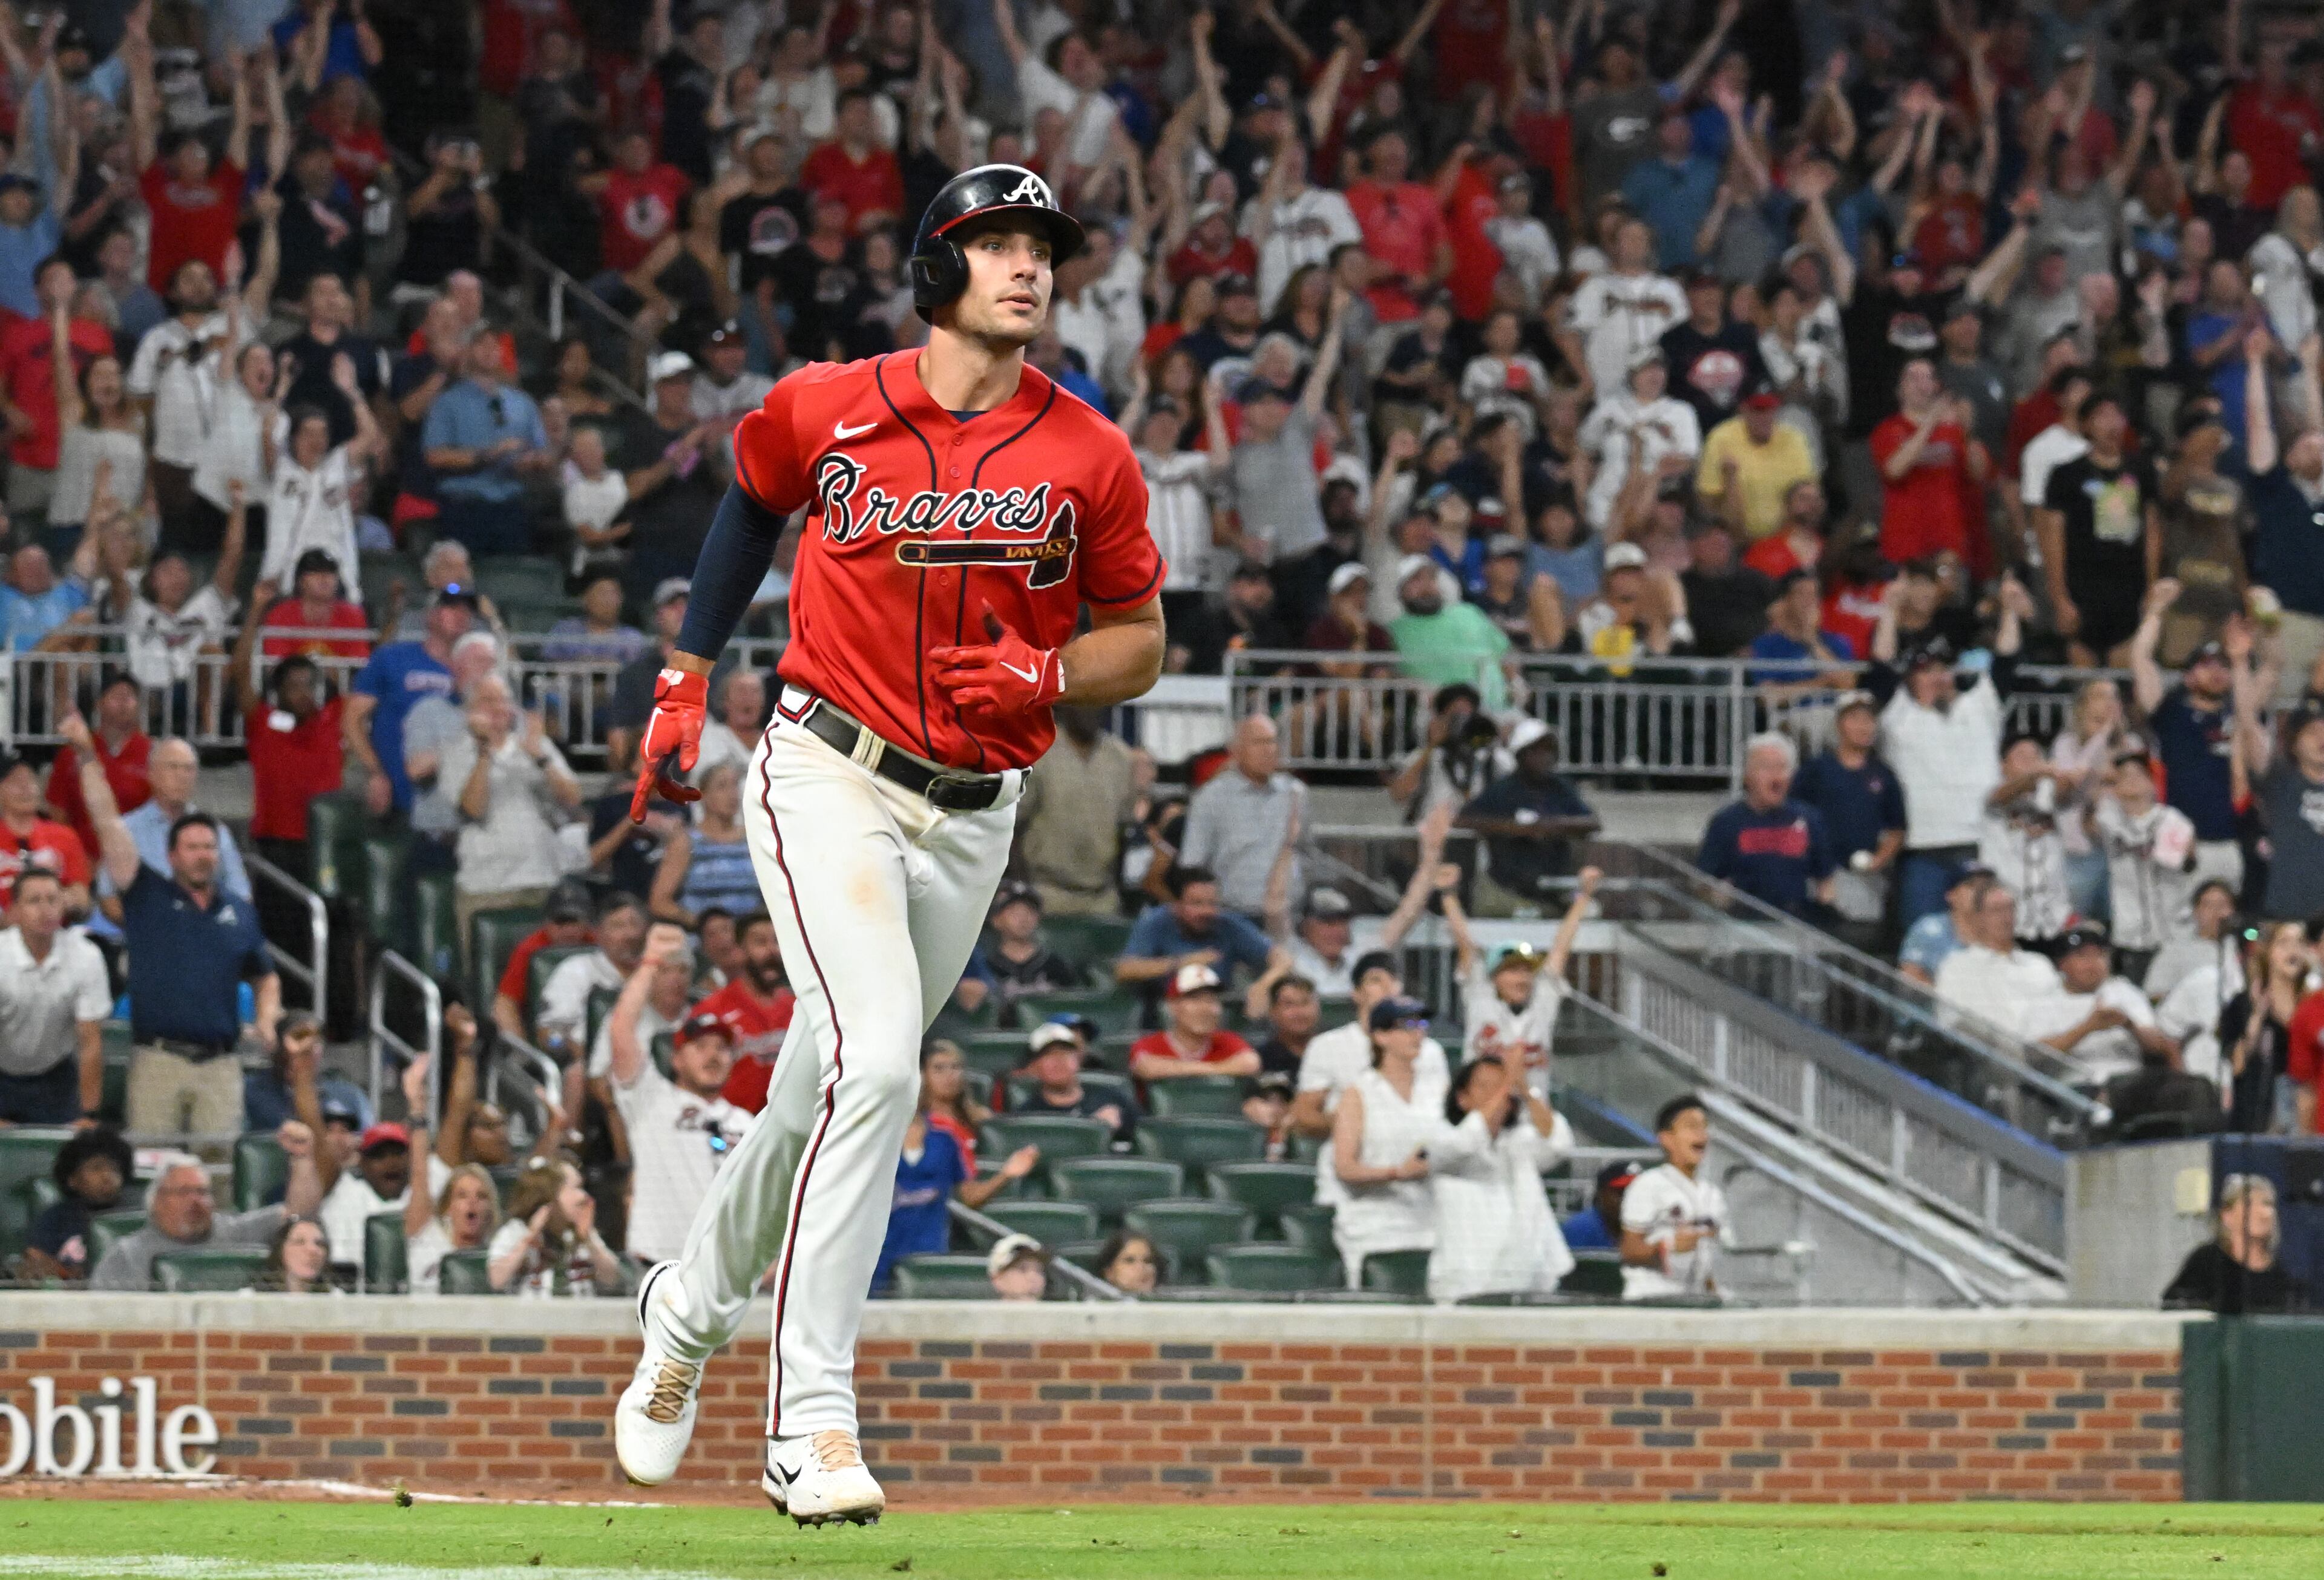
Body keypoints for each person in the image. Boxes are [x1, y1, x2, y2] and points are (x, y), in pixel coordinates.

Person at [609, 165, 1165, 1521]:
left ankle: (685, 1310)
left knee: (818, 1090)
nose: (1028, 267)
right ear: (938, 269)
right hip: (827, 771)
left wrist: (1043, 677)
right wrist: (686, 679)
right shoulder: (828, 404)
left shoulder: (1087, 449)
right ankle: (810, 1420)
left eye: (1043, 246)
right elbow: (749, 498)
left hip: (977, 813)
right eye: (997, 244)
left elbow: (1140, 642)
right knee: (877, 1067)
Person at [70, 710, 279, 1141]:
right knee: (153, 1172)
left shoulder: (238, 912)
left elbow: (265, 972)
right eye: (193, 847)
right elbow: (106, 821)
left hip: (222, 1066)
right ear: (172, 856)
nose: (203, 854)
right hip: (159, 1062)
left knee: (218, 1182)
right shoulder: (149, 896)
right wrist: (87, 756)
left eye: (209, 847)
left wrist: (267, 1018)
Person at [1869, 573, 2032, 928]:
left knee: (1985, 938)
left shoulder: (1979, 708)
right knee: (1921, 942)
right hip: (1922, 850)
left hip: (1982, 846)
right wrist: (1890, 610)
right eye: (1927, 672)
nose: (1939, 677)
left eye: (1944, 670)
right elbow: (1881, 667)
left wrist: (2009, 612)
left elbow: (2006, 661)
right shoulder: (1899, 718)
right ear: (1911, 680)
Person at [608, 929, 750, 1267]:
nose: (713, 1056)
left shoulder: (747, 1123)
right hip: (659, 1265)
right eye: (700, 1047)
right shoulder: (652, 1101)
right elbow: (621, 1032)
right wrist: (651, 964)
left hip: (724, 1272)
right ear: (676, 1059)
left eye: (722, 1048)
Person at [1426, 1043, 1576, 1305]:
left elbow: (1558, 1143)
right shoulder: (1441, 1137)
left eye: (1502, 1088)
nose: (1498, 1094)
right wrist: (1508, 1081)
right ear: (1462, 1098)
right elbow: (1467, 1142)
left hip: (1525, 1277)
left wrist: (1525, 1089)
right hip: (1465, 1278)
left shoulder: (1519, 1141)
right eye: (1485, 1087)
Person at [90, 1132, 324, 1291]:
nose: (196, 1201)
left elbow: (299, 1214)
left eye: (202, 1192)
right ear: (157, 1202)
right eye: (184, 1192)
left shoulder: (236, 1233)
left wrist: (302, 1158)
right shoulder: (125, 1257)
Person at [2132, 586, 2244, 899]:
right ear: (2187, 676)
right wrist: (2155, 613)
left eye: (2223, 666)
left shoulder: (2238, 715)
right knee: (2173, 918)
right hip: (2176, 833)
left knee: (2226, 923)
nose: (2217, 672)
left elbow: (2269, 674)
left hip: (2227, 839)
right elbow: (2141, 660)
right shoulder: (2171, 712)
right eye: (2206, 665)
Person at [1450, 868, 1599, 1100]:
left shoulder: (1543, 1003)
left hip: (1531, 1124)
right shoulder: (1480, 997)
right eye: (1512, 970)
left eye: (1527, 971)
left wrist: (1584, 895)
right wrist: (1449, 894)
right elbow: (1464, 943)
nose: (1522, 978)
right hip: (1481, 1119)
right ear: (1494, 977)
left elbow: (1561, 946)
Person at [1329, 996, 1445, 1288]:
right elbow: (1345, 1167)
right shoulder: (1359, 1094)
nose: (1418, 1033)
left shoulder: (1438, 1090)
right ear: (1381, 1036)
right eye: (1407, 1026)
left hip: (1433, 1216)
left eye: (1421, 1025)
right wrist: (1396, 1172)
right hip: (1374, 1220)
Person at [872, 1103, 1038, 1291]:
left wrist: (1006, 1175)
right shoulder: (872, 1139)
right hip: (876, 1254)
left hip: (930, 1255)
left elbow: (970, 1197)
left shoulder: (945, 1141)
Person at [344, 591, 472, 818]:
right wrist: (375, 773)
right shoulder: (392, 657)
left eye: (466, 610)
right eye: (451, 608)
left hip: (451, 798)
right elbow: (352, 719)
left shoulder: (475, 670)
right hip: (394, 791)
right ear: (430, 616)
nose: (460, 615)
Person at [1456, 718, 1600, 916]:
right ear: (1521, 754)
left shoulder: (1561, 788)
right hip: (1509, 890)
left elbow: (1592, 822)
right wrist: (1513, 828)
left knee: (1590, 914)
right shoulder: (1504, 790)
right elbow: (1464, 819)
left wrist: (1553, 826)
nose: (1545, 757)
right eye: (1537, 750)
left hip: (1553, 891)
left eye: (1550, 750)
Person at [0, 867, 110, 1123]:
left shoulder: (86, 956)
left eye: (53, 900)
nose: (46, 910)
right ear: (15, 910)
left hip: (56, 1077)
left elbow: (90, 1041)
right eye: (34, 901)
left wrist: (88, 1114)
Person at [1178, 713, 1307, 925]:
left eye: (1272, 741)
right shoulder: (1210, 798)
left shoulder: (1296, 794)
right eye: (1259, 743)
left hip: (1289, 917)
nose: (1269, 750)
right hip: (1231, 918)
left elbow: (1306, 850)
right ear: (1236, 751)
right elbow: (1193, 863)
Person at [2018, 922, 2177, 1090]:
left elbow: (2160, 1048)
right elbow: (2034, 1057)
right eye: (2082, 956)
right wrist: (2088, 1027)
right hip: (2077, 1087)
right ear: (2062, 964)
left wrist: (2129, 1024)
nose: (2092, 964)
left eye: (2100, 955)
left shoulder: (2125, 991)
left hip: (2130, 1083)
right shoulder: (2046, 1001)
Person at [1696, 733, 1835, 918]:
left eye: (1782, 768)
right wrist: (1718, 898)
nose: (1776, 776)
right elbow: (1703, 883)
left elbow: (1825, 881)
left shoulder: (1809, 818)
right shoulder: (1726, 821)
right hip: (1743, 927)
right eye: (1767, 767)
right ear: (1748, 775)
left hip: (1796, 926)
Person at [2090, 752, 2196, 977]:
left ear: (2152, 783)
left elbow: (2183, 863)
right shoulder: (2107, 819)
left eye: (2139, 775)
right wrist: (2101, 783)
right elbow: (2088, 826)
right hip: (2128, 935)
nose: (2132, 780)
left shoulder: (2173, 819)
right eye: (2124, 777)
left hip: (2172, 932)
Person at [1115, 865, 1284, 998]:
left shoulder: (1227, 923)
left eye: (1212, 903)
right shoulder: (1156, 922)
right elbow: (1126, 970)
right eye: (1196, 904)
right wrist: (1185, 962)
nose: (1206, 911)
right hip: (1164, 1009)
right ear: (1177, 905)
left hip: (1217, 1008)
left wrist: (1263, 985)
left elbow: (1283, 959)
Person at [1620, 1093, 1725, 1303]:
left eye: (1704, 1127)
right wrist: (1667, 1247)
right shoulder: (1649, 1184)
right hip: (1650, 1299)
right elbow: (1629, 1251)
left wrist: (1715, 1295)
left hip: (1694, 1300)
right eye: (1691, 1126)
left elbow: (1705, 1262)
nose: (1701, 1134)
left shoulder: (1713, 1195)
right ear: (1666, 1138)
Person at [2162, 1174, 2311, 1315]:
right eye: (2249, 1204)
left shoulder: (2282, 1277)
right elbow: (2176, 1309)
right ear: (2227, 1215)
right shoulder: (2207, 1263)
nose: (2265, 1213)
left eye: (2268, 1204)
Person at [695, 911, 797, 1115]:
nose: (772, 950)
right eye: (760, 942)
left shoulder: (801, 1008)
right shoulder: (713, 1011)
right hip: (737, 1131)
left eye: (777, 941)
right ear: (739, 951)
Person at [2219, 920, 2311, 1135]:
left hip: (2304, 1116)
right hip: (2258, 1118)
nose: (2293, 950)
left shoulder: (2313, 1006)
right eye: (2284, 943)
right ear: (2268, 951)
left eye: (2300, 943)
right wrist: (2257, 1017)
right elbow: (2238, 1064)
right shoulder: (2242, 1005)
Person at [488, 1156, 626, 1297]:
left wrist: (589, 1241)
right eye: (577, 1188)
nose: (584, 1196)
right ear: (552, 1195)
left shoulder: (583, 1233)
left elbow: (613, 1280)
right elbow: (497, 1281)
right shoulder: (517, 1231)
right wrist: (528, 1240)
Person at [18, 1124, 134, 1281]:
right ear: (73, 1180)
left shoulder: (132, 1219)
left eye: (114, 1169)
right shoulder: (57, 1218)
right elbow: (34, 1259)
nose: (107, 1177)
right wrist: (66, 1273)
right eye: (96, 1168)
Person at [960, 879, 1084, 1024]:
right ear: (996, 920)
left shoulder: (1055, 965)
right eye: (1014, 912)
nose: (1024, 919)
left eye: (1029, 912)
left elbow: (1075, 1008)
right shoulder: (986, 966)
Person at [1127, 963, 1259, 1087]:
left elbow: (1250, 1063)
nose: (1205, 1009)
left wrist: (1179, 1069)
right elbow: (1147, 1067)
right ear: (1173, 1006)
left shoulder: (1227, 1040)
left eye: (1211, 1000)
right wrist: (1219, 1069)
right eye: (1195, 1000)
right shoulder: (1150, 1044)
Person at [1018, 1020, 1138, 1141]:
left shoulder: (1111, 1098)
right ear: (1034, 1066)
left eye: (1065, 1053)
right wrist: (1095, 1129)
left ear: (1078, 1059)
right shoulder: (1027, 1117)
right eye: (1048, 1055)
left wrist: (1121, 1129)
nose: (1058, 1061)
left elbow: (1145, 1136)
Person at [403, 1161, 502, 1295]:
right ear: (448, 1208)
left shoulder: (501, 1252)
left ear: (491, 1210)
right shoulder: (427, 1252)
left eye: (481, 1196)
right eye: (462, 1195)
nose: (472, 1201)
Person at [1900, 864, 1992, 988]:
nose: (1980, 894)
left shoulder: (1998, 929)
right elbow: (1911, 976)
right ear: (1951, 895)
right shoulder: (1928, 929)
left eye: (1986, 888)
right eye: (1972, 886)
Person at [1559, 1159, 1638, 1255]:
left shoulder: (1656, 1227)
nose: (1633, 1200)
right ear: (1601, 1194)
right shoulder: (1581, 1228)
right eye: (1622, 1192)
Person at [985, 1232, 1049, 1301]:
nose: (1033, 1277)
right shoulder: (981, 1311)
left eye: (1039, 1270)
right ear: (998, 1279)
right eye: (1022, 1269)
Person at [1094, 1229, 1160, 1296]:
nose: (1141, 1268)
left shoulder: (1169, 1304)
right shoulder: (1090, 1305)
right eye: (1130, 1261)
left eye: (1148, 1261)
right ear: (1109, 1272)